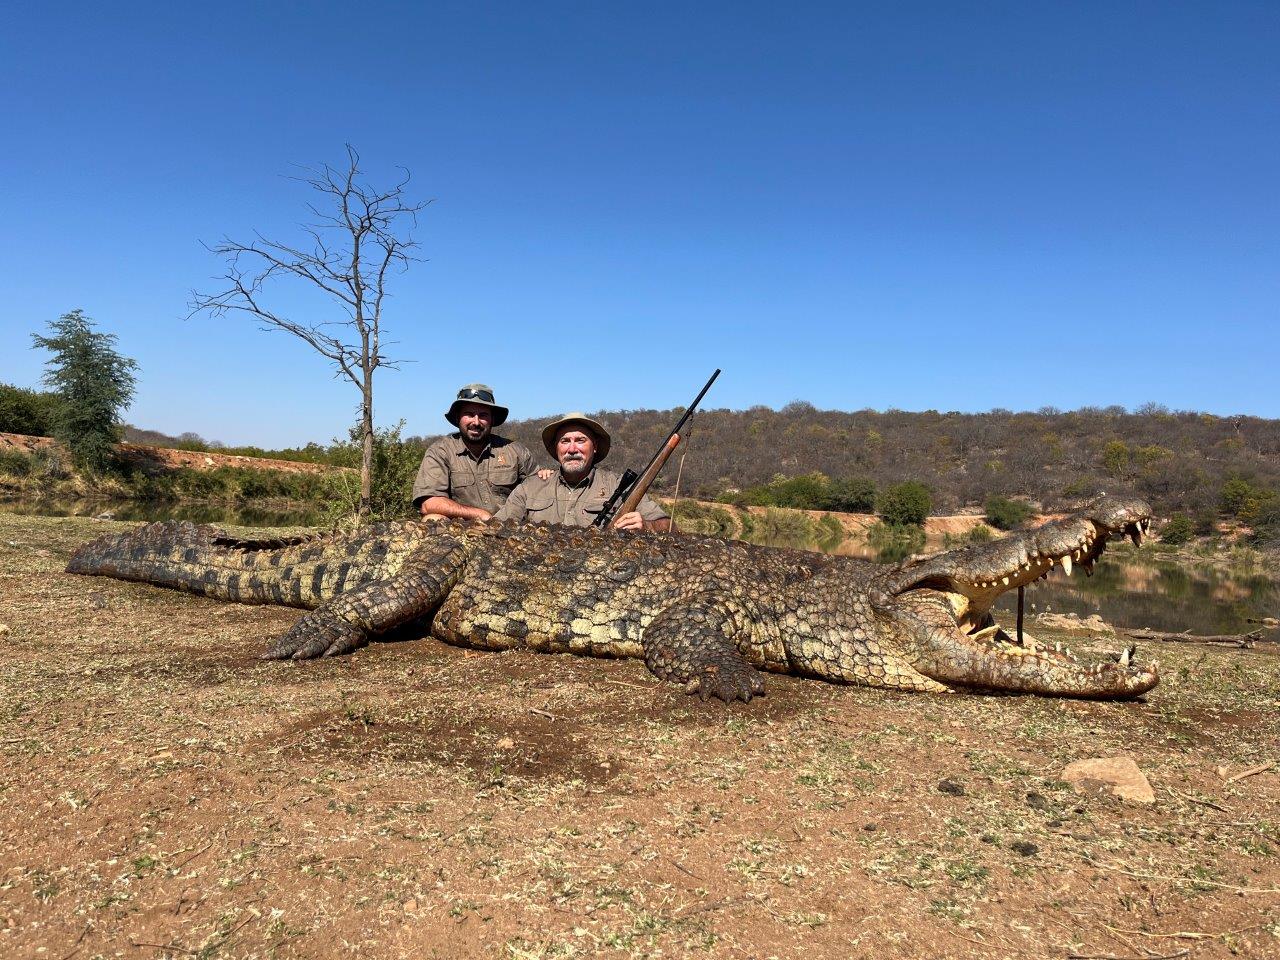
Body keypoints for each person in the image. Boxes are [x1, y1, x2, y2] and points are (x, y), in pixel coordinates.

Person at [494, 413, 671, 532]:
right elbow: (496, 527)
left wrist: (647, 526)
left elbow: (670, 527)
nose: (572, 449)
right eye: (564, 441)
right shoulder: (529, 488)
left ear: (594, 447)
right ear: (556, 448)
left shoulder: (620, 486)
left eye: (580, 440)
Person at [412, 384, 541, 521]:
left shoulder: (515, 450)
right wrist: (480, 515)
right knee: (432, 518)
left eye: (483, 415)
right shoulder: (440, 451)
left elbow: (540, 489)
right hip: (461, 530)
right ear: (458, 418)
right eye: (469, 414)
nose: (476, 421)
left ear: (492, 419)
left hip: (510, 529)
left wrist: (548, 476)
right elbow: (429, 503)